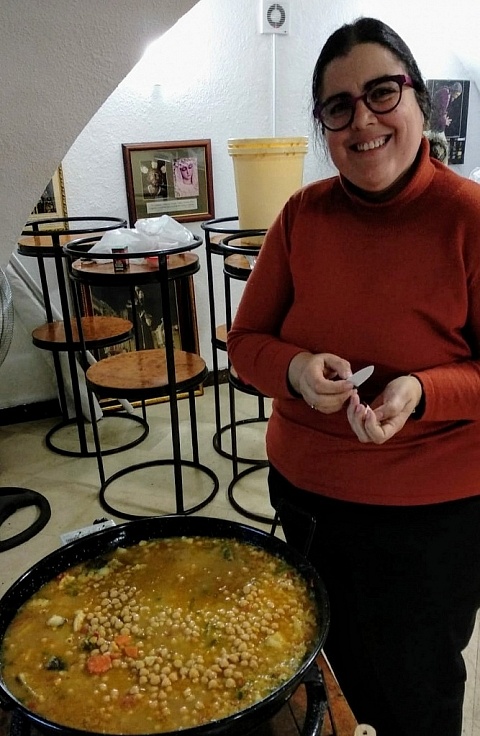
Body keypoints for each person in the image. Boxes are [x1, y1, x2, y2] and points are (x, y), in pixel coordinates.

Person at [227, 17, 480, 736]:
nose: (362, 120)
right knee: (323, 674)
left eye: (381, 93)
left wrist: (422, 391)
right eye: (338, 107)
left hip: (433, 519)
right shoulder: (301, 218)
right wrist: (297, 369)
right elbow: (244, 343)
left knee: (416, 688)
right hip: (310, 501)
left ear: (419, 99)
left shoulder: (468, 217)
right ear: (323, 126)